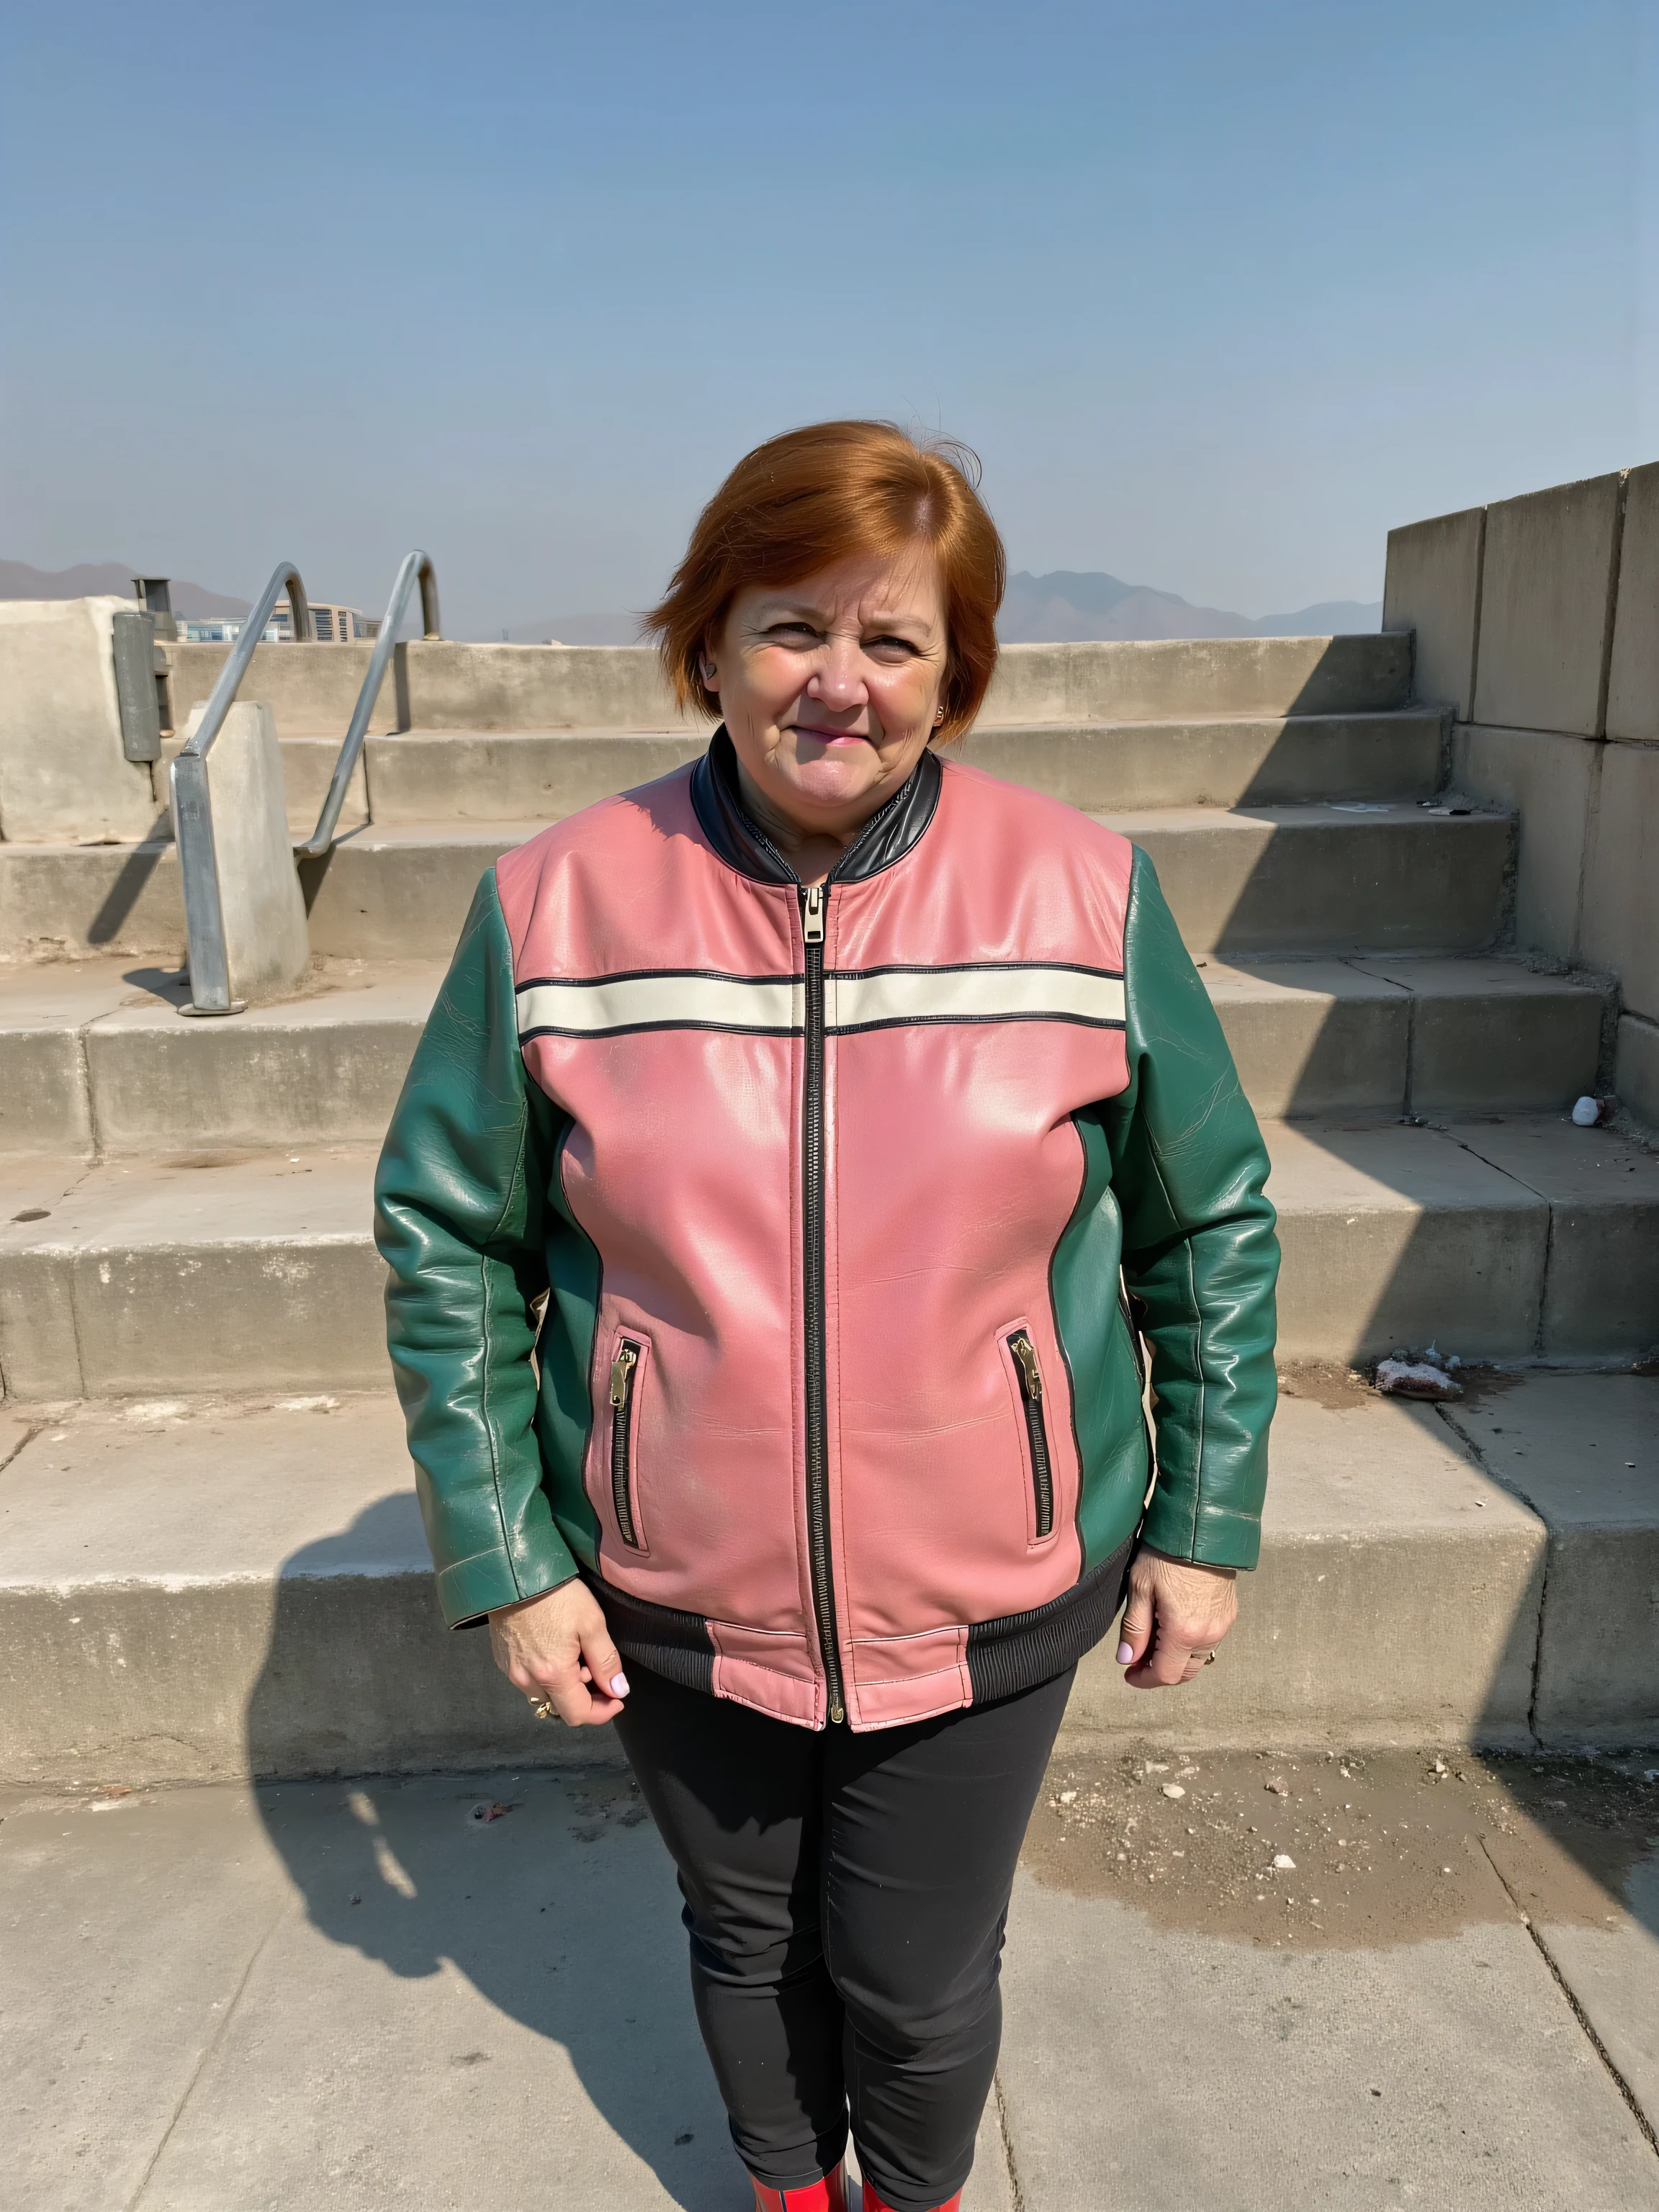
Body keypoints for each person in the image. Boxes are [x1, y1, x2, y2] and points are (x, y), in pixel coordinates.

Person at [375, 419, 1279, 2212]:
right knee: (743, 1942)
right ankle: (791, 2194)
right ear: (709, 641)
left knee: (916, 1979)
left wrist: (1204, 1519)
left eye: (894, 640)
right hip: (675, 1587)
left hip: (987, 1580)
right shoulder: (555, 902)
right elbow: (450, 1234)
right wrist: (511, 1558)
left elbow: (1210, 1225)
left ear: (957, 674)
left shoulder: (1085, 895)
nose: (838, 682)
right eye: (792, 625)